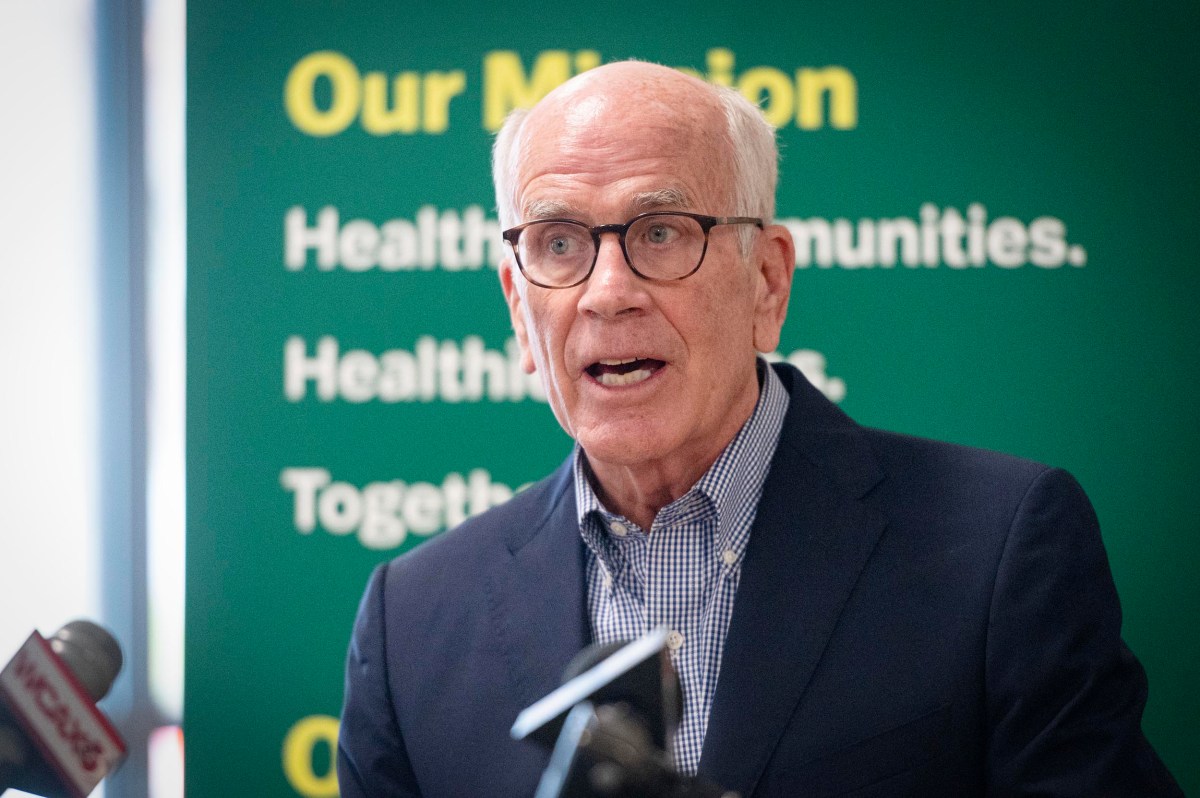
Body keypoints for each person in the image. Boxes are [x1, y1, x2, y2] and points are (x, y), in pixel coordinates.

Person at [337, 61, 1181, 797]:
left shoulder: (1001, 549)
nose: (607, 292)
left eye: (660, 232)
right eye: (559, 244)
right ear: (520, 310)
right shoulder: (408, 626)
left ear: (768, 283)